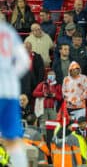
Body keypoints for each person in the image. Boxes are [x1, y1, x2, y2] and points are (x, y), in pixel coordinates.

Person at [0, 22, 32, 167]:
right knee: (12, 139)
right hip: (10, 90)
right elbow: (25, 61)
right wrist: (10, 76)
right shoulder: (7, 30)